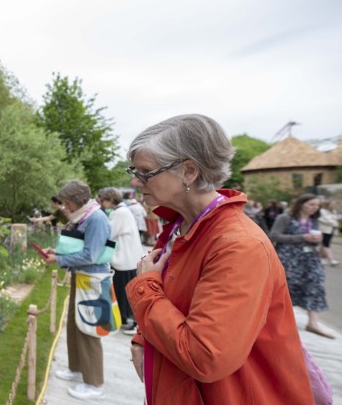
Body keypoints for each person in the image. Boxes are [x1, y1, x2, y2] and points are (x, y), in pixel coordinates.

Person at [124, 114, 312, 404]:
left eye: (146, 171)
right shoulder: (183, 225)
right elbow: (174, 301)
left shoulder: (237, 246)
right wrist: (142, 337)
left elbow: (205, 356)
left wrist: (144, 289)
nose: (136, 181)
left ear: (188, 171)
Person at [44, 180, 111, 399]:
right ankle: (76, 368)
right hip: (80, 276)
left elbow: (90, 255)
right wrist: (55, 252)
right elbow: (78, 247)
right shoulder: (84, 216)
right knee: (74, 324)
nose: (65, 207)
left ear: (77, 201)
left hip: (92, 279)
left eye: (66, 203)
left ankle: (95, 383)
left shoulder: (96, 218)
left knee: (89, 328)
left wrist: (58, 259)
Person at [270, 194, 335, 338]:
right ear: (301, 204)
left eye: (317, 205)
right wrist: (302, 237)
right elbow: (274, 236)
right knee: (288, 288)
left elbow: (315, 240)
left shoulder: (314, 220)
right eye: (311, 204)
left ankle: (313, 323)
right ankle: (278, 321)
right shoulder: (285, 218)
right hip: (289, 259)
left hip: (310, 258)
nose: (315, 208)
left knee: (316, 285)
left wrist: (317, 240)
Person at [97, 187, 143, 335]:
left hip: (125, 258)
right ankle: (126, 318)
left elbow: (109, 232)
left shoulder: (120, 213)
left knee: (126, 292)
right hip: (127, 257)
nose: (102, 204)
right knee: (124, 290)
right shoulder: (122, 211)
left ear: (110, 200)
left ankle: (135, 323)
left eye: (103, 200)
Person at [318, 200, 339, 266]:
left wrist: (334, 222)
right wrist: (333, 222)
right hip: (324, 230)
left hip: (331, 230)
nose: (333, 205)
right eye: (332, 204)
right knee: (326, 245)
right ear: (328, 204)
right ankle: (331, 260)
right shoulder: (322, 211)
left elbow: (335, 219)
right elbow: (325, 220)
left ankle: (318, 258)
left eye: (334, 204)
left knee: (323, 245)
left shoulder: (334, 211)